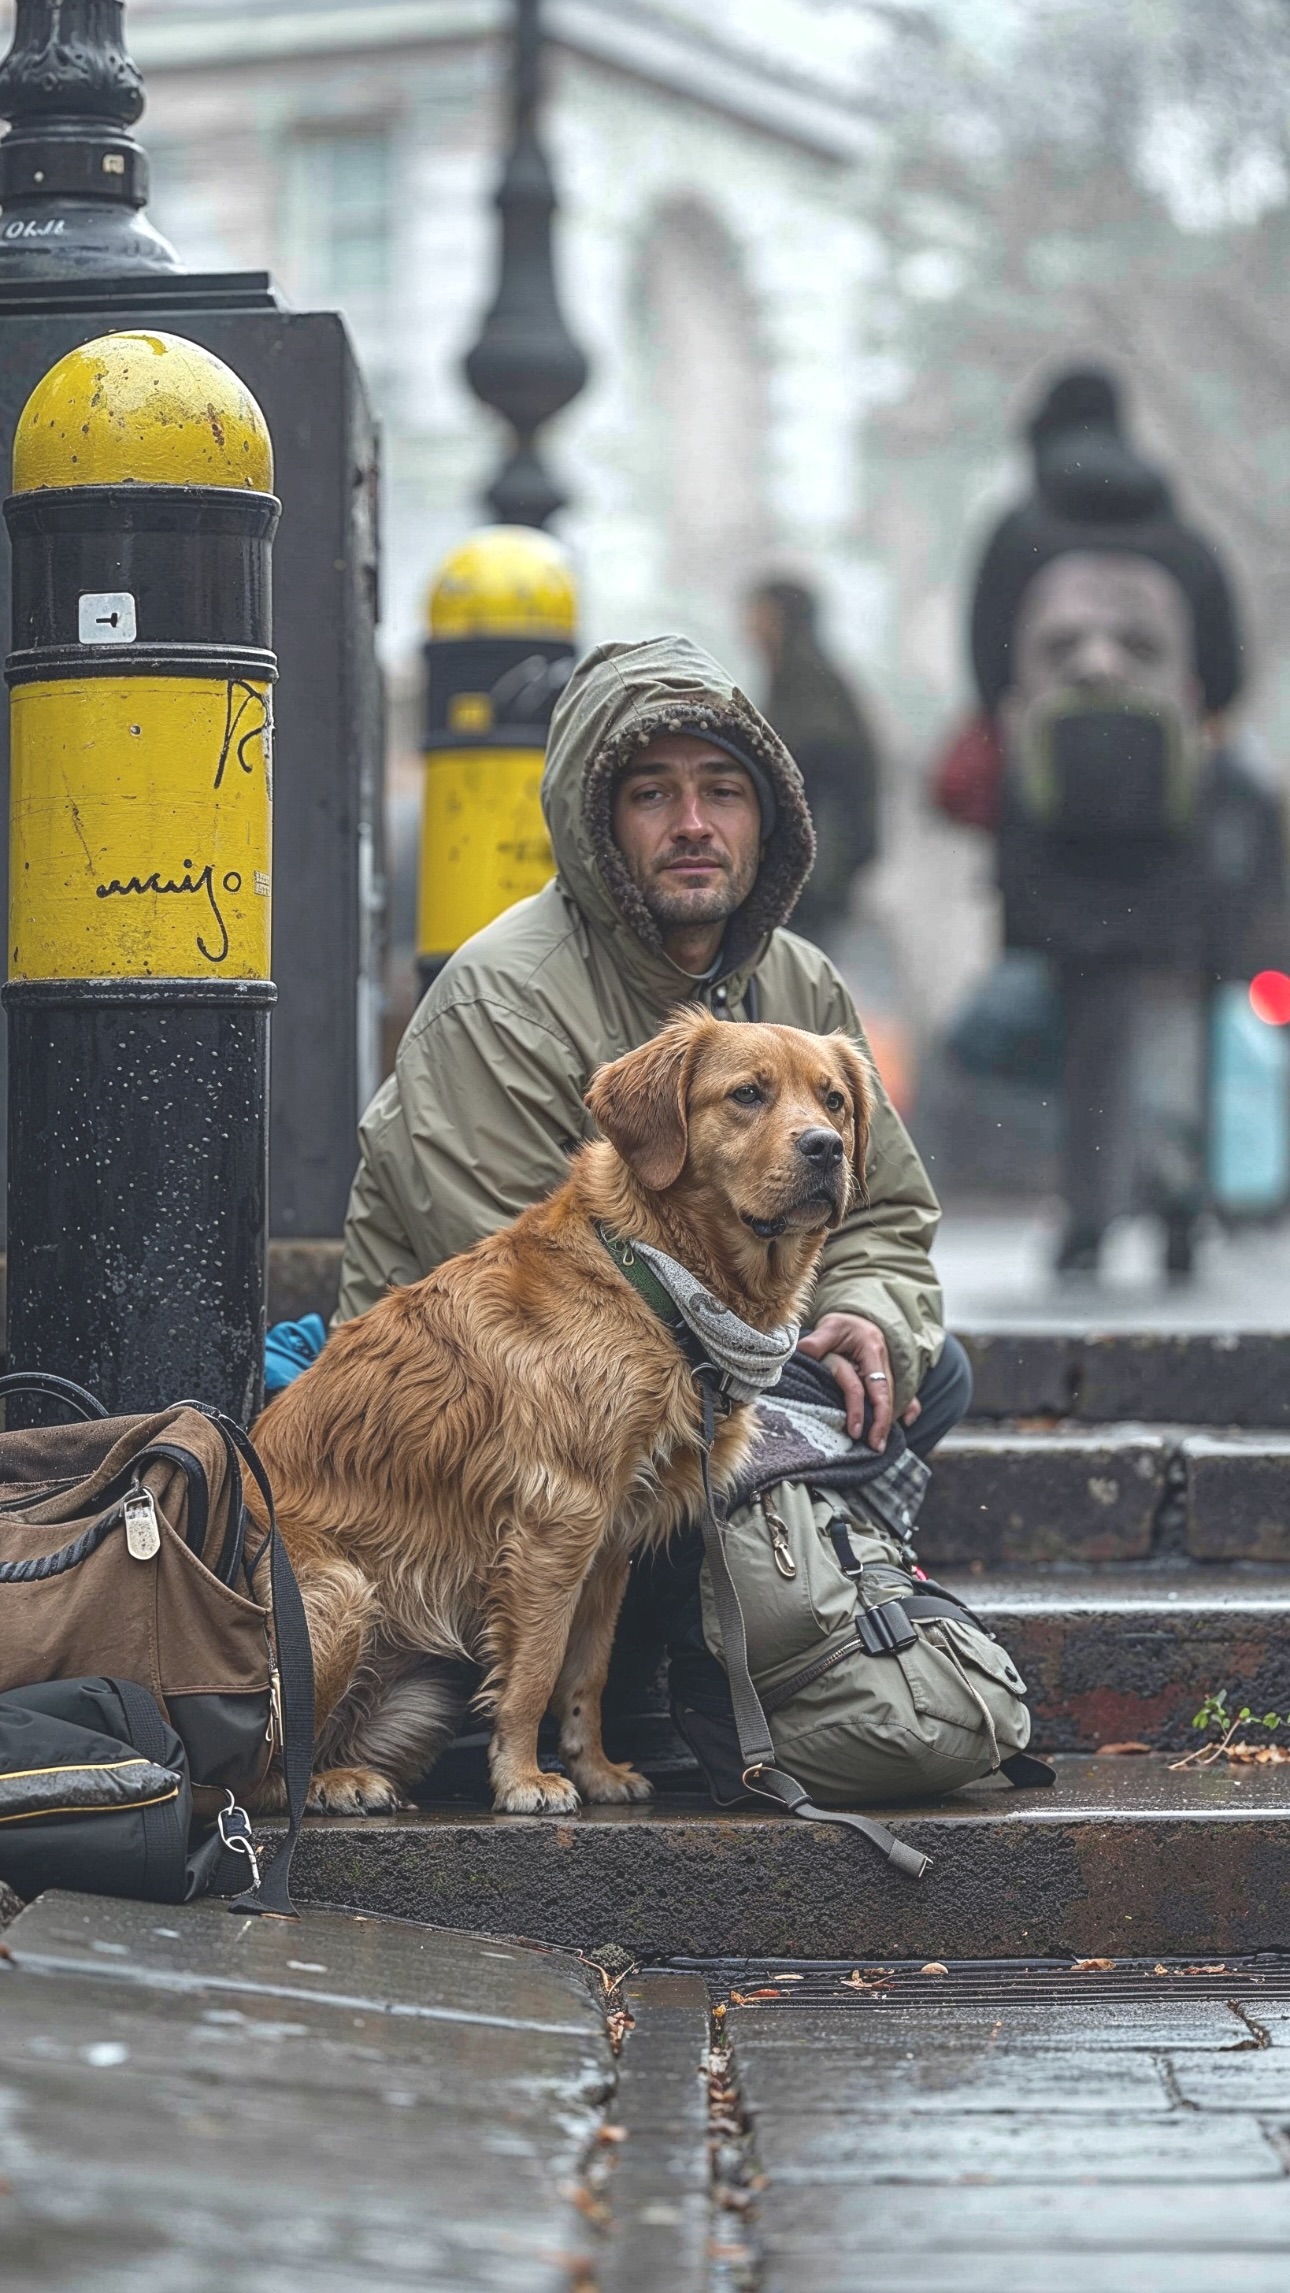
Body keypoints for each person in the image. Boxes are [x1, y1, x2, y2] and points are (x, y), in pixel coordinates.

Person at [335, 633, 971, 1754]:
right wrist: (755, 1383)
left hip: (705, 1365)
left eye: (723, 791)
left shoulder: (802, 982)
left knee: (921, 1368)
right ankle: (645, 1671)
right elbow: (521, 1318)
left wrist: (870, 1312)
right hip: (485, 1431)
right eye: (652, 793)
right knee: (698, 1422)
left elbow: (883, 1214)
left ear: (766, 820)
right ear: (597, 825)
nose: (693, 823)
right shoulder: (504, 999)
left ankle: (706, 1641)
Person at [958, 367, 1285, 1277]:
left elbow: (987, 674)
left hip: (1053, 827)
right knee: (1171, 1003)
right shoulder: (1183, 543)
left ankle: (1087, 1217)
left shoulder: (1019, 534)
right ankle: (1179, 1201)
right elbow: (1222, 677)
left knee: (1086, 1013)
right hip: (1171, 826)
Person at [745, 579, 880, 942]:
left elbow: (818, 773)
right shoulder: (785, 681)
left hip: (813, 877)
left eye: (759, 614)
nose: (749, 625)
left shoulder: (813, 687)